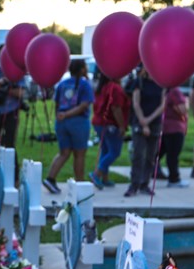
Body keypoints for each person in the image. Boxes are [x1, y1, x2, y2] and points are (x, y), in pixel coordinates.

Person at [43, 59, 94, 194]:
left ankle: (50, 178)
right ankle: (80, 184)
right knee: (79, 154)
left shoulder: (62, 84)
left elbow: (57, 104)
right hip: (78, 122)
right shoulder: (85, 85)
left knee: (64, 153)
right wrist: (68, 114)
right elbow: (84, 105)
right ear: (82, 69)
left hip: (61, 122)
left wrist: (61, 116)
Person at [126, 67, 166, 196]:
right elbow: (136, 103)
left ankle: (145, 184)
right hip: (139, 121)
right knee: (138, 155)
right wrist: (143, 121)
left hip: (155, 123)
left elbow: (162, 105)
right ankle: (134, 184)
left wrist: (149, 120)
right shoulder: (139, 82)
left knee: (151, 156)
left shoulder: (161, 84)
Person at [88, 72, 129, 189]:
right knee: (114, 152)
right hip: (110, 124)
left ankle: (104, 178)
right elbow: (116, 108)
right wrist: (121, 126)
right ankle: (96, 174)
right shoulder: (115, 88)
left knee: (105, 150)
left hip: (99, 122)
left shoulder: (103, 87)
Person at [160, 85, 190, 188]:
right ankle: (174, 179)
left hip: (165, 127)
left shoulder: (165, 90)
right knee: (173, 155)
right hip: (175, 128)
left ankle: (146, 173)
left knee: (160, 153)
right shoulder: (175, 91)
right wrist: (186, 103)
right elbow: (182, 110)